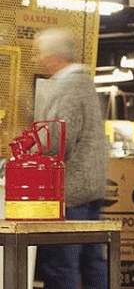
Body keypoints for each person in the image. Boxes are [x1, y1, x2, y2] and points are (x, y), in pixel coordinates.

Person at [33, 27, 108, 289]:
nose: (38, 60)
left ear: (55, 57)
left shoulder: (69, 86)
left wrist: (30, 156)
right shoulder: (85, 83)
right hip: (90, 188)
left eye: (41, 54)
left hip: (71, 191)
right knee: (92, 262)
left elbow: (57, 139)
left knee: (61, 264)